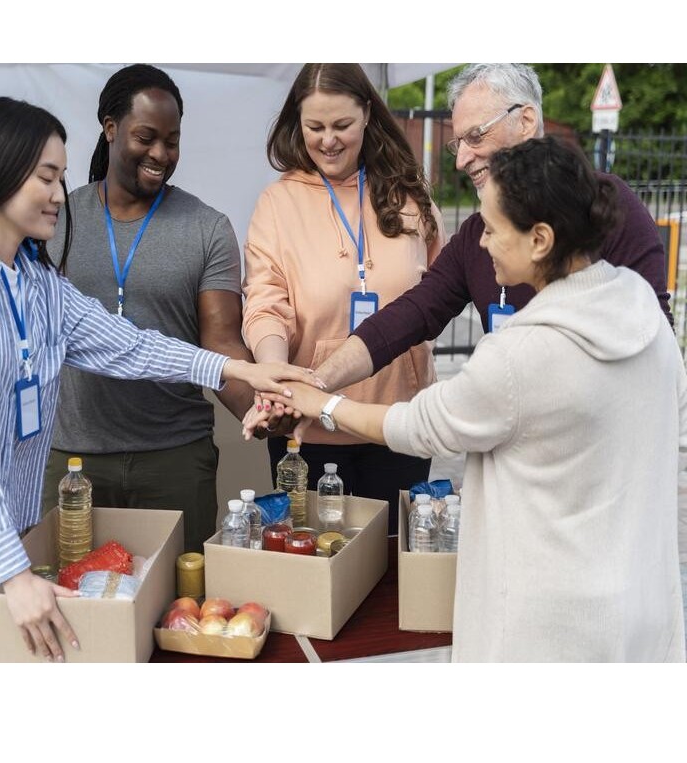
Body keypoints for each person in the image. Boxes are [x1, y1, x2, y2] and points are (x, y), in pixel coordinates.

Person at [0, 96, 316, 663]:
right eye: (47, 177)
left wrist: (236, 367)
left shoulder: (35, 281)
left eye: (62, 178)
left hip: (4, 545)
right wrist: (16, 576)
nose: (60, 196)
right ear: (0, 171)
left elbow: (130, 346)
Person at [249, 136, 687, 662]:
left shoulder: (524, 354)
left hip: (548, 628)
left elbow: (419, 426)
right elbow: (412, 314)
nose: (481, 243)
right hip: (637, 606)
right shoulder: (639, 310)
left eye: (494, 229)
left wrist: (318, 403)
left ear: (540, 239)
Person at [291, 63, 672, 410]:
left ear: (525, 121)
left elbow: (654, 338)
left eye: (475, 136)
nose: (461, 159)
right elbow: (410, 314)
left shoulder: (606, 205)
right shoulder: (477, 234)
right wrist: (316, 381)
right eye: (458, 143)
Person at [41, 65, 258, 553]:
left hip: (175, 459)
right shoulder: (56, 220)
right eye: (146, 137)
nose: (161, 154)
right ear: (110, 127)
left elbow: (220, 343)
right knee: (72, 604)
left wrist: (262, 407)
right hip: (74, 460)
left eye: (172, 141)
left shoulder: (207, 229)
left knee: (182, 612)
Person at [241, 63, 446, 534]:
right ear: (298, 124)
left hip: (399, 423)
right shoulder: (278, 203)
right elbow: (266, 304)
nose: (327, 140)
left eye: (341, 125)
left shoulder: (411, 196)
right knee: (314, 567)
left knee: (392, 572)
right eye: (314, 127)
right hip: (307, 430)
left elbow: (441, 293)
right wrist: (277, 379)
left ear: (368, 115)